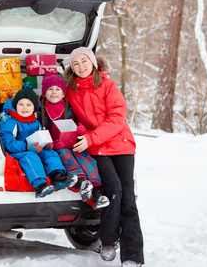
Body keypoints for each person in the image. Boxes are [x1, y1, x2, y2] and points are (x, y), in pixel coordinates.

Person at [64, 47, 144, 267]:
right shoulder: (71, 90)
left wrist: (90, 138)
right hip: (97, 148)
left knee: (127, 198)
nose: (80, 67)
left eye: (84, 61)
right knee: (113, 190)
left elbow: (117, 118)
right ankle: (108, 241)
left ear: (93, 62)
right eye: (76, 64)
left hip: (120, 144)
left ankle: (133, 255)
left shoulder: (108, 85)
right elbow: (60, 108)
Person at [37, 73, 110, 209]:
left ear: (63, 94)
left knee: (85, 157)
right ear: (44, 93)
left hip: (72, 143)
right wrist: (51, 144)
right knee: (65, 154)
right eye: (50, 89)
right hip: (55, 147)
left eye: (58, 89)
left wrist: (81, 130)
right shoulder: (40, 112)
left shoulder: (69, 110)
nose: (54, 92)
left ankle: (96, 191)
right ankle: (81, 183)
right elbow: (38, 133)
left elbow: (76, 126)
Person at [0, 86, 77, 198]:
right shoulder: (10, 123)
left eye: (29, 105)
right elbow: (7, 143)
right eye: (21, 104)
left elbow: (41, 135)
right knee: (31, 157)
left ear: (34, 108)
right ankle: (40, 185)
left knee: (51, 153)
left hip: (35, 148)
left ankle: (58, 177)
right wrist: (26, 147)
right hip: (18, 151)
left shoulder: (35, 122)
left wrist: (47, 143)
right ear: (16, 106)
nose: (24, 107)